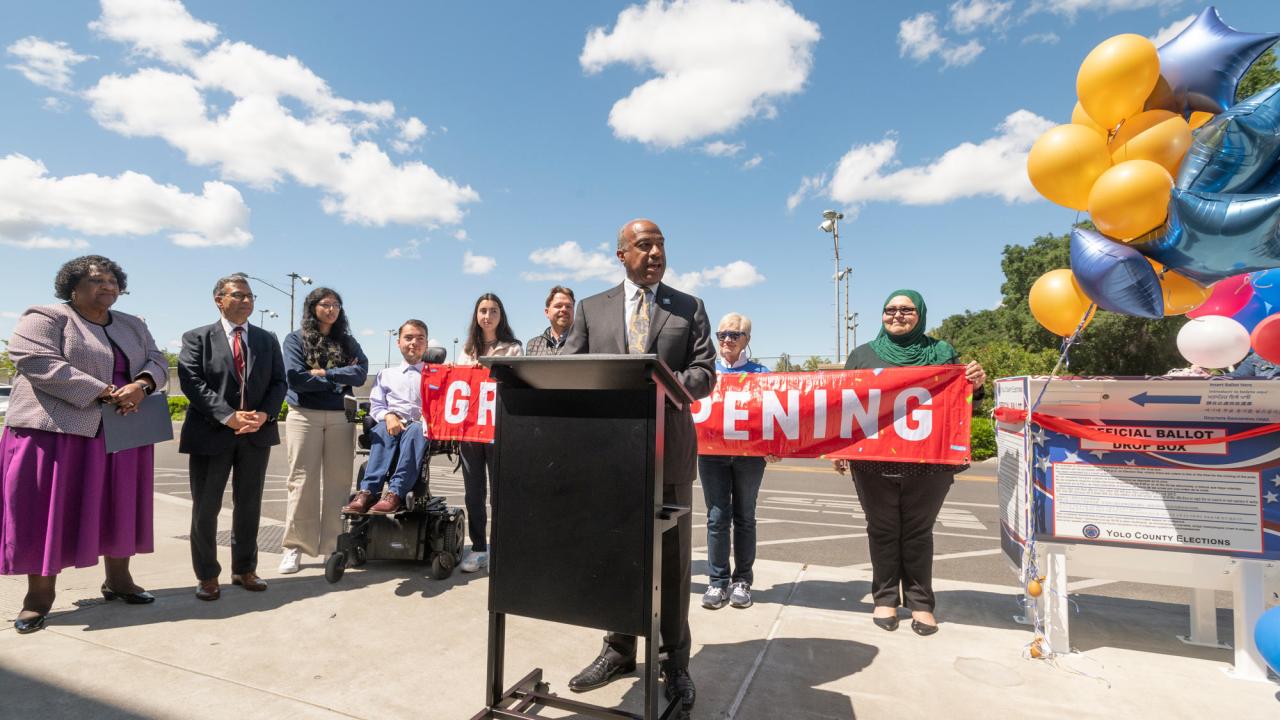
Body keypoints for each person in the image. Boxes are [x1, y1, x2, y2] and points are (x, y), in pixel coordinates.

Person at [563, 219, 715, 716]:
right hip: (608, 457)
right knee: (616, 557)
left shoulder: (688, 306)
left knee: (671, 565)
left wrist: (663, 381)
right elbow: (569, 367)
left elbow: (705, 372)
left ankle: (674, 663)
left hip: (668, 452)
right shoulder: (590, 307)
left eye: (661, 245)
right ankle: (619, 649)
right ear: (621, 254)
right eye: (644, 245)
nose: (654, 253)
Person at [0, 256, 167, 633]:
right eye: (97, 280)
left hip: (123, 429)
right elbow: (32, 357)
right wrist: (103, 391)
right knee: (48, 512)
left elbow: (157, 360)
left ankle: (119, 581)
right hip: (58, 431)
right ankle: (38, 599)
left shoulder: (133, 325)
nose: (107, 286)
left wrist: (141, 385)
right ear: (72, 286)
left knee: (119, 505)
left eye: (113, 280)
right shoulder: (45, 317)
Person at [833, 289, 986, 636]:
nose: (897, 315)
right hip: (873, 463)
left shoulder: (941, 353)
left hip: (929, 463)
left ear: (921, 314)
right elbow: (844, 405)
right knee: (882, 530)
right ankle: (884, 597)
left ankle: (921, 604)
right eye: (891, 309)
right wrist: (842, 448)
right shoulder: (863, 354)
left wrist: (975, 385)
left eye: (907, 309)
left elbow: (962, 406)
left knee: (918, 533)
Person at [180, 273, 287, 600]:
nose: (246, 301)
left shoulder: (266, 339)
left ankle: (244, 569)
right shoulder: (197, 338)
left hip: (255, 434)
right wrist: (228, 417)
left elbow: (279, 383)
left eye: (250, 296)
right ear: (219, 300)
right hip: (212, 434)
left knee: (249, 505)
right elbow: (191, 382)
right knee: (206, 507)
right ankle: (207, 576)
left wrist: (265, 414)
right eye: (238, 295)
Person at [279, 288, 369, 574]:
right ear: (313, 307)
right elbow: (296, 378)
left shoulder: (347, 341)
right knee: (301, 481)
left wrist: (324, 374)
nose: (331, 309)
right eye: (325, 304)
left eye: (336, 305)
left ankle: (334, 546)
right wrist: (338, 379)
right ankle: (296, 547)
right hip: (304, 414)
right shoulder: (296, 339)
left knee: (339, 483)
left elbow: (360, 372)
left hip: (342, 415)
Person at [698, 312, 778, 611]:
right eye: (722, 335)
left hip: (749, 457)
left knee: (745, 516)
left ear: (747, 339)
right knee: (717, 518)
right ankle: (717, 582)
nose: (727, 340)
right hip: (711, 456)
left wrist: (774, 445)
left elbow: (775, 415)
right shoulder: (705, 372)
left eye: (734, 335)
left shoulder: (762, 373)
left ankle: (742, 580)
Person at [456, 293, 522, 573]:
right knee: (473, 494)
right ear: (476, 315)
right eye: (483, 310)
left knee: (499, 493)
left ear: (501, 315)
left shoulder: (513, 347)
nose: (487, 316)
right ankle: (479, 548)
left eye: (493, 310)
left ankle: (502, 546)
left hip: (498, 429)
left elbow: (515, 381)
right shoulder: (467, 348)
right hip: (470, 432)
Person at [344, 319, 429, 514]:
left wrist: (429, 416)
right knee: (382, 427)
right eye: (408, 338)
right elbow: (376, 406)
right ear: (398, 342)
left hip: (420, 426)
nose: (413, 342)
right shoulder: (386, 374)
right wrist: (389, 415)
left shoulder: (435, 374)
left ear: (426, 343)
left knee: (416, 429)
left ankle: (396, 493)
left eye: (419, 338)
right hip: (391, 423)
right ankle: (368, 492)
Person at [525, 286, 575, 356]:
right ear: (547, 312)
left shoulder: (585, 343)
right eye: (558, 306)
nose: (564, 309)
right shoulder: (533, 345)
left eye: (568, 306)